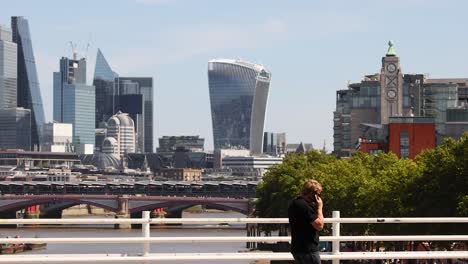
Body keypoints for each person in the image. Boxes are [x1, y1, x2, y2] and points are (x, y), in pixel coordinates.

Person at [288, 179, 324, 264]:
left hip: (298, 248)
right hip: (308, 250)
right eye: (318, 194)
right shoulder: (305, 206)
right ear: (313, 194)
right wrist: (320, 208)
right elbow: (319, 225)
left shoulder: (294, 203)